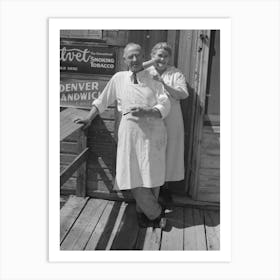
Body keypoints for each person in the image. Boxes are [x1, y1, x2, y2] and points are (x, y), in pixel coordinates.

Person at [74, 43, 170, 228]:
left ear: (143, 57)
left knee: (152, 173)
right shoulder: (119, 78)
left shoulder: (154, 78)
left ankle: (144, 215)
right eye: (131, 56)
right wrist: (88, 117)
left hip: (153, 132)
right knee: (131, 172)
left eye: (138, 55)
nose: (135, 60)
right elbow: (102, 100)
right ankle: (155, 213)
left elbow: (165, 104)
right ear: (124, 59)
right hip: (129, 132)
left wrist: (148, 111)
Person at [146, 42, 189, 205]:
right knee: (151, 152)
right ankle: (149, 191)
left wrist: (163, 84)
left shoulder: (175, 73)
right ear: (152, 56)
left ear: (169, 58)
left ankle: (164, 190)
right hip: (151, 119)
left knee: (170, 153)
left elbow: (183, 94)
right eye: (159, 55)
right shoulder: (145, 72)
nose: (162, 59)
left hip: (171, 120)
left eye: (165, 56)